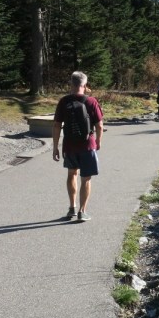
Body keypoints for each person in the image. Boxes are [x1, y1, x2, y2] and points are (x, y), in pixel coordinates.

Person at [52, 71, 103, 222]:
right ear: (85, 85)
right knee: (86, 178)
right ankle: (82, 211)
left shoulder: (64, 101)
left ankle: (72, 207)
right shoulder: (91, 101)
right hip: (87, 146)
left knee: (71, 174)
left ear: (71, 84)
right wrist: (98, 141)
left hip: (69, 146)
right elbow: (99, 125)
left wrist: (55, 147)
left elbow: (56, 125)